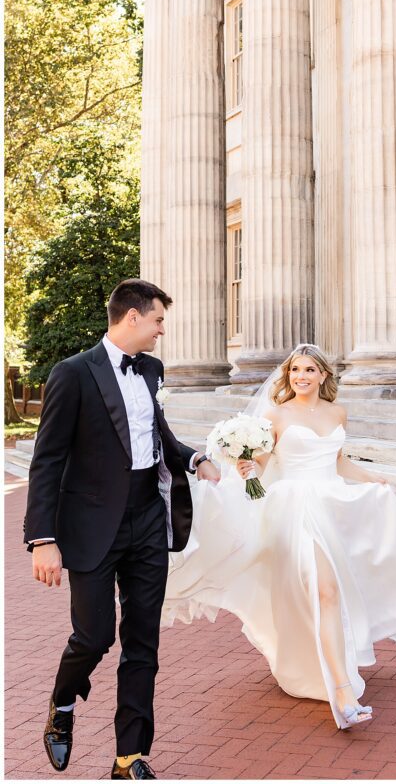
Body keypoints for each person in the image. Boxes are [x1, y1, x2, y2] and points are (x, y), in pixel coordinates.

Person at [162, 343, 396, 729]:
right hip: (295, 509)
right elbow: (263, 468)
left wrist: (374, 479)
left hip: (332, 505)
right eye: (295, 370)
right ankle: (342, 692)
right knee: (326, 592)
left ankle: (326, 675)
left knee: (326, 595)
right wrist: (246, 468)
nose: (301, 377)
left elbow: (338, 461)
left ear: (323, 375)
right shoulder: (275, 414)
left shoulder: (338, 412)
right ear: (289, 376)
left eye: (309, 370)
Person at [23, 278, 221, 780]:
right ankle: (62, 703)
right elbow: (46, 461)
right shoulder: (72, 374)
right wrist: (42, 538)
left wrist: (193, 458)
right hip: (91, 526)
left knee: (142, 641)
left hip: (147, 519)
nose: (161, 332)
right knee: (93, 637)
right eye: (157, 321)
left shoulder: (152, 369)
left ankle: (129, 756)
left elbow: (154, 432)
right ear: (132, 318)